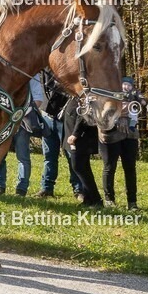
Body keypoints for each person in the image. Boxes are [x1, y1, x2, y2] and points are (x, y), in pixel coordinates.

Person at [0, 76, 46, 196]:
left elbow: (38, 99)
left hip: (23, 121)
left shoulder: (32, 74)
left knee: (23, 157)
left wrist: (21, 116)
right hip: (3, 121)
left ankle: (21, 188)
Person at [99, 77, 144, 210]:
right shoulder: (107, 94)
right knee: (109, 167)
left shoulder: (134, 95)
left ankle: (132, 202)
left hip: (130, 134)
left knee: (130, 168)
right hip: (111, 133)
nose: (125, 87)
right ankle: (109, 200)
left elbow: (141, 104)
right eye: (123, 84)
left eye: (128, 85)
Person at [36, 69, 83, 198]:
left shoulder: (69, 74)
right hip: (47, 117)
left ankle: (78, 189)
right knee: (49, 156)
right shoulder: (43, 72)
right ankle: (46, 188)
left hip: (65, 119)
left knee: (71, 156)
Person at [64, 96, 102, 207]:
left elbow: (84, 116)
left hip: (81, 137)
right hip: (75, 135)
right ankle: (89, 199)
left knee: (78, 166)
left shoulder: (86, 95)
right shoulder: (75, 95)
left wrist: (75, 134)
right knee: (83, 167)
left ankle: (96, 199)